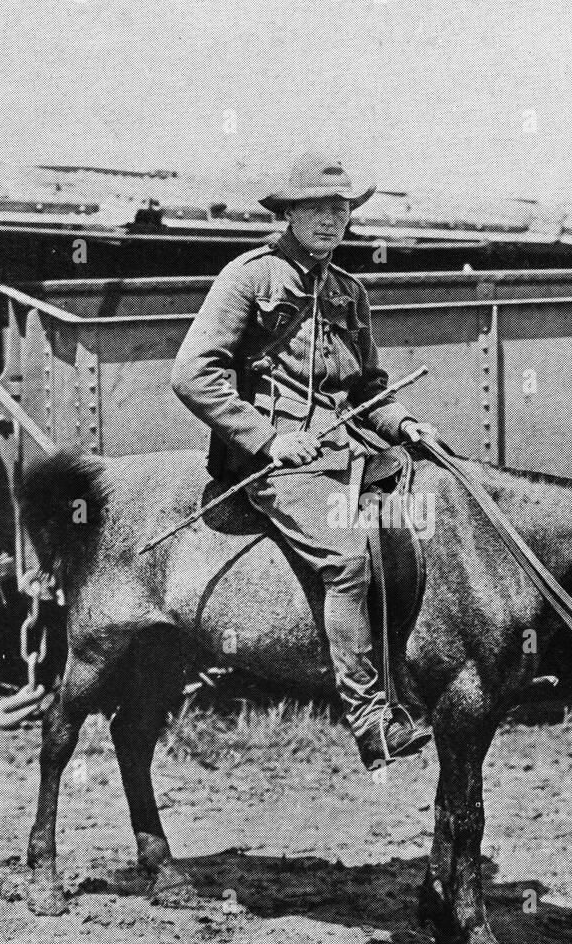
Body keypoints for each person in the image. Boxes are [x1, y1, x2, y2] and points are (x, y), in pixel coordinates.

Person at [171, 152, 439, 772]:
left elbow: (368, 388)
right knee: (346, 558)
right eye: (317, 208)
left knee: (423, 530)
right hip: (270, 463)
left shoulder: (348, 291)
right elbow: (192, 375)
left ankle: (420, 679)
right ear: (288, 213)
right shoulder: (250, 279)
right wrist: (265, 438)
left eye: (341, 208)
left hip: (346, 455)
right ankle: (372, 722)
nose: (331, 219)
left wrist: (401, 423)